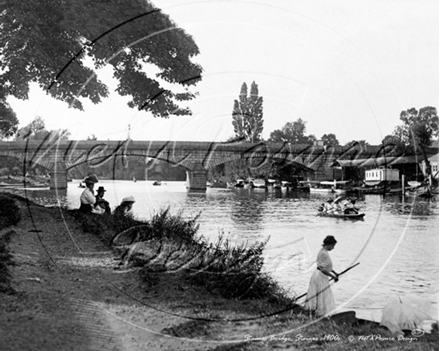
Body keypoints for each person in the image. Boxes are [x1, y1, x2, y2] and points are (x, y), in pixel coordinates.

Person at [304, 235, 339, 317]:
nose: (333, 248)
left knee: (323, 295)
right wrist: (333, 277)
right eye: (333, 246)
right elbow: (322, 268)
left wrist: (335, 273)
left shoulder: (324, 252)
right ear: (329, 244)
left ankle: (320, 313)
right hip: (320, 276)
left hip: (322, 276)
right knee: (321, 295)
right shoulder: (323, 253)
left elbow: (327, 266)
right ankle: (319, 313)